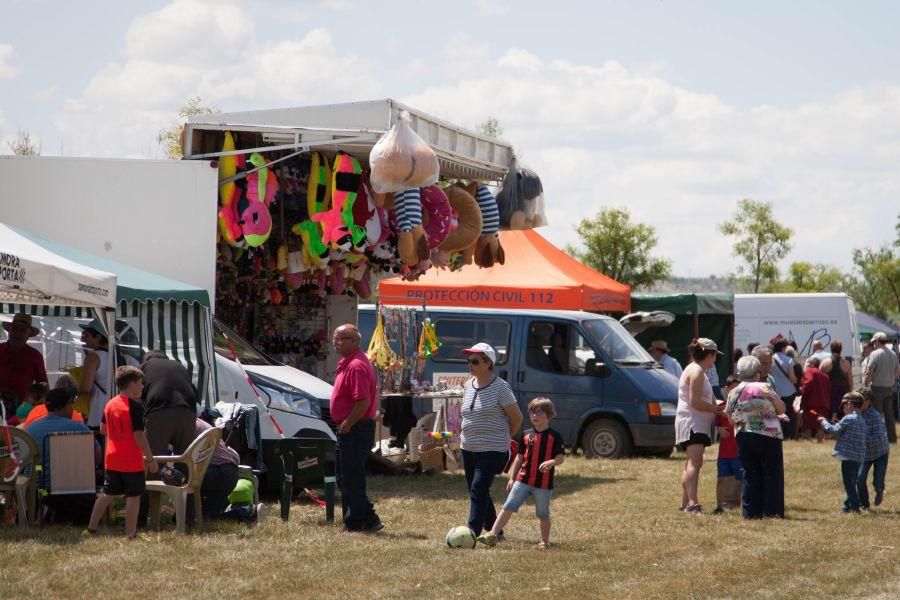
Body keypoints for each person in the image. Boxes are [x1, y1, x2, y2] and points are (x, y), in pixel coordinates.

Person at [477, 397, 564, 549]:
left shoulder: (555, 436)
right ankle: (493, 534)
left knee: (543, 513)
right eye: (531, 412)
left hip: (542, 484)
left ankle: (544, 541)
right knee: (508, 506)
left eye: (539, 412)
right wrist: (512, 478)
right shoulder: (525, 435)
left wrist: (552, 462)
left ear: (549, 415)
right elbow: (519, 458)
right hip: (522, 480)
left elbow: (560, 457)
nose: (534, 416)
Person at [85, 366, 159, 539]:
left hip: (112, 458)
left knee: (107, 494)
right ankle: (130, 533)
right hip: (131, 460)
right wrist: (150, 459)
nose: (142, 387)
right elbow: (139, 435)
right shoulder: (134, 407)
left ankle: (91, 528)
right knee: (134, 496)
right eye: (140, 384)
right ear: (131, 385)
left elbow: (103, 429)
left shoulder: (110, 404)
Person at [460, 342, 523, 535]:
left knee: (478, 489)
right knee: (477, 489)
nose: (470, 364)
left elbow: (517, 418)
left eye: (475, 361)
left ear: (488, 363)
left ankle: (471, 532)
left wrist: (504, 438)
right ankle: (496, 530)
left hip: (492, 449)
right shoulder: (468, 385)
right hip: (468, 447)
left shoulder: (501, 387)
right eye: (469, 360)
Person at [330, 324, 382, 533]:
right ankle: (367, 518)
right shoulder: (348, 363)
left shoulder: (356, 366)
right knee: (345, 477)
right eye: (334, 338)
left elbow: (363, 401)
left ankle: (356, 522)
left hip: (355, 428)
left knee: (351, 478)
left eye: (340, 338)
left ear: (354, 340)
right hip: (350, 427)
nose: (335, 342)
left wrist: (347, 424)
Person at [24, 387, 101, 524]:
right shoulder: (79, 428)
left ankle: (48, 513)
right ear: (65, 406)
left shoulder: (31, 429)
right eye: (72, 403)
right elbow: (97, 457)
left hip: (41, 490)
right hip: (75, 491)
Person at [725, 356, 786, 519]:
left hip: (745, 434)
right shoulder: (765, 387)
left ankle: (751, 512)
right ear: (757, 373)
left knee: (751, 473)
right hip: (769, 434)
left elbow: (730, 419)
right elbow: (780, 408)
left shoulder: (734, 391)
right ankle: (772, 511)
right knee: (771, 473)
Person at [675, 338, 722, 514]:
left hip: (695, 423)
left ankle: (685, 503)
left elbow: (707, 400)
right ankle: (693, 504)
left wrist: (723, 406)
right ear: (709, 355)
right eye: (714, 356)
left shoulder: (698, 371)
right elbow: (695, 402)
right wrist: (716, 409)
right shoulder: (696, 372)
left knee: (692, 463)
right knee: (694, 462)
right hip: (693, 422)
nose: (715, 360)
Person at [141, 350, 198, 456]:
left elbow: (137, 395)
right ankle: (183, 473)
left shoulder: (145, 367)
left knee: (153, 459)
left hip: (160, 411)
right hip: (188, 413)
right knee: (184, 460)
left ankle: (153, 472)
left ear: (146, 360)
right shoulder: (179, 366)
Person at [818, 392, 867, 513]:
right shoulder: (861, 419)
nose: (843, 408)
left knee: (849, 485)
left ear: (849, 404)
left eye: (843, 405)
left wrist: (823, 421)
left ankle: (855, 508)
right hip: (859, 457)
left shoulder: (848, 418)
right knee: (852, 482)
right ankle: (846, 508)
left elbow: (833, 431)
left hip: (847, 457)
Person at [195, 417, 240, 520]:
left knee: (194, 517)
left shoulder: (187, 424)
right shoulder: (201, 423)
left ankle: (248, 512)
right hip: (228, 472)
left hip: (219, 472)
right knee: (209, 517)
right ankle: (247, 511)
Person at [0, 313, 47, 402]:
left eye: (23, 330)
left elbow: (42, 383)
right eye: (15, 329)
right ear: (9, 330)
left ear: (29, 334)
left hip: (22, 409)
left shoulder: (35, 356)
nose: (17, 333)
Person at [713, 375, 742, 514]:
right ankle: (719, 506)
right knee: (721, 479)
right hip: (724, 452)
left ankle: (742, 505)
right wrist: (719, 430)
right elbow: (715, 424)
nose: (735, 391)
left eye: (738, 388)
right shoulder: (721, 407)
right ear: (727, 389)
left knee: (741, 480)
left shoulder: (743, 406)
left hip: (739, 452)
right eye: (732, 388)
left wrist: (727, 416)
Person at [864, 332, 899, 444]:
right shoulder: (893, 354)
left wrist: (865, 384)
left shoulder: (875, 354)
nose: (874, 344)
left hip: (877, 388)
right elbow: (898, 371)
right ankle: (892, 438)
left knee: (876, 415)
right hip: (889, 387)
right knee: (889, 415)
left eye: (874, 342)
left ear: (878, 341)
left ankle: (877, 439)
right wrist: (891, 378)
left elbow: (870, 371)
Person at [857, 388, 889, 510]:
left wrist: (862, 438)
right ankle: (864, 504)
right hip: (865, 454)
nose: (860, 404)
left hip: (881, 452)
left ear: (869, 401)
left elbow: (879, 437)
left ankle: (879, 491)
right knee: (860, 478)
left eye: (862, 401)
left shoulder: (875, 417)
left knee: (878, 480)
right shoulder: (856, 414)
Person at [770, 339, 799, 439]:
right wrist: (796, 380)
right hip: (788, 391)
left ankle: (778, 433)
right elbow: (792, 378)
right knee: (789, 413)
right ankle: (789, 434)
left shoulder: (770, 360)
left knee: (776, 413)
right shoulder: (789, 360)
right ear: (783, 348)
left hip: (774, 391)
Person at [799, 357, 831, 442]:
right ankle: (820, 442)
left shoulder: (809, 371)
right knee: (820, 426)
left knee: (808, 425)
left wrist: (803, 389)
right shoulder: (825, 375)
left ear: (812, 364)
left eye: (808, 363)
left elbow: (809, 381)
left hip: (811, 403)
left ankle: (808, 442)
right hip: (823, 403)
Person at [820, 341, 852, 421]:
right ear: (841, 350)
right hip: (842, 395)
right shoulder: (846, 363)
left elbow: (819, 380)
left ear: (831, 349)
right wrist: (851, 392)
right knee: (842, 418)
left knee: (829, 419)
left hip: (829, 395)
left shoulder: (825, 363)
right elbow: (850, 381)